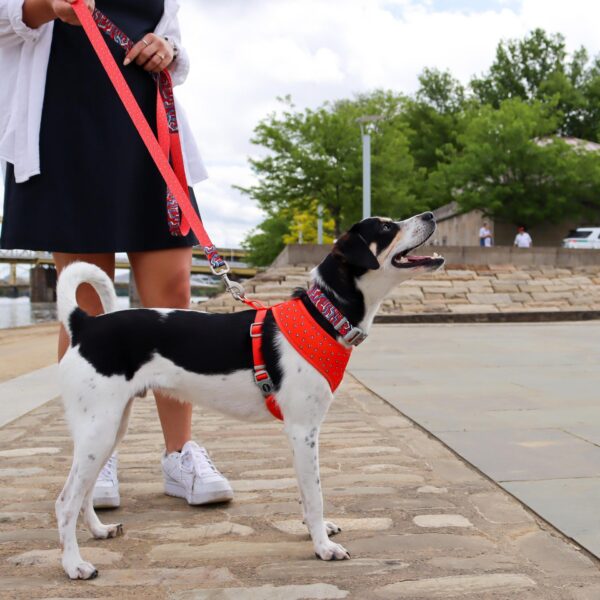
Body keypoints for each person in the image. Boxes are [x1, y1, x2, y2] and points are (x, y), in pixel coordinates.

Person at [0, 0, 233, 508]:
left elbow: (177, 46)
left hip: (147, 126)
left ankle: (180, 454)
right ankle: (96, 456)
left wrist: (167, 50)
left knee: (173, 293)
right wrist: (44, 7)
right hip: (67, 120)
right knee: (86, 300)